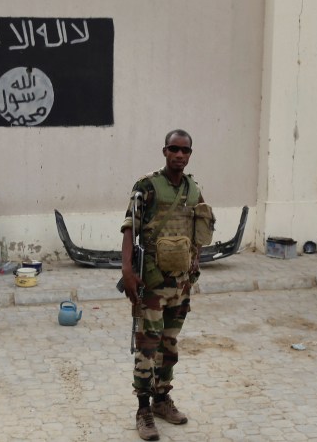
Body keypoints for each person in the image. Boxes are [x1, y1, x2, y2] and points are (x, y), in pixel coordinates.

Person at [120, 129, 214, 441]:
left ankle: (162, 400)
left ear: (190, 154)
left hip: (181, 284)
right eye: (173, 149)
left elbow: (200, 229)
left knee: (169, 345)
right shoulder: (146, 186)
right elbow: (129, 228)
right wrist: (128, 272)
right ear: (164, 151)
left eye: (184, 150)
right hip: (152, 282)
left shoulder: (193, 188)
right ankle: (143, 408)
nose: (179, 155)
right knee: (148, 345)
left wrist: (195, 264)